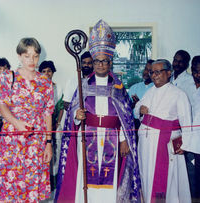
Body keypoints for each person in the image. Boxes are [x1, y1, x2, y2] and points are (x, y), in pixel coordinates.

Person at [56, 20, 141, 203]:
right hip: (87, 137)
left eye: (105, 61)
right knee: (85, 177)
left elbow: (124, 118)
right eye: (97, 61)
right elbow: (72, 113)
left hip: (112, 136)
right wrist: (77, 117)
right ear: (92, 63)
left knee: (110, 180)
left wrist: (124, 139)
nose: (101, 65)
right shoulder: (84, 85)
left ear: (110, 62)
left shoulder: (118, 87)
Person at [0, 37, 55, 202]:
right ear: (19, 56)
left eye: (35, 56)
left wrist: (48, 144)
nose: (32, 60)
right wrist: (17, 123)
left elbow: (47, 113)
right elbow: (2, 106)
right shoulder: (8, 77)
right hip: (13, 141)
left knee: (32, 187)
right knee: (11, 187)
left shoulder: (45, 82)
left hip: (36, 143)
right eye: (27, 56)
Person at [135, 59, 191, 202]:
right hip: (146, 145)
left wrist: (185, 144)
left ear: (168, 73)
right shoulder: (150, 91)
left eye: (158, 72)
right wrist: (140, 110)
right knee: (146, 175)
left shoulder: (179, 94)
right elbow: (137, 109)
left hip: (164, 144)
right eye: (152, 72)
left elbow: (187, 123)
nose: (154, 76)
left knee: (165, 181)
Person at [171, 49, 196, 198]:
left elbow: (190, 109)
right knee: (174, 167)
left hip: (185, 129)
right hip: (170, 130)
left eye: (181, 61)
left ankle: (190, 197)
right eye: (175, 60)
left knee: (188, 167)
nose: (177, 64)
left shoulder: (190, 82)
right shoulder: (168, 78)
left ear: (186, 64)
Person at [39, 60, 64, 191]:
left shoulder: (58, 88)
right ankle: (43, 182)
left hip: (55, 125)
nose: (47, 73)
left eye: (49, 71)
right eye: (43, 71)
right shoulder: (37, 87)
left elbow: (60, 108)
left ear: (53, 72)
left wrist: (57, 123)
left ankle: (54, 183)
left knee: (56, 153)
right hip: (41, 127)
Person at [183, 56, 200, 202]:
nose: (199, 74)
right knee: (191, 182)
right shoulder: (187, 88)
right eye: (196, 71)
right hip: (188, 144)